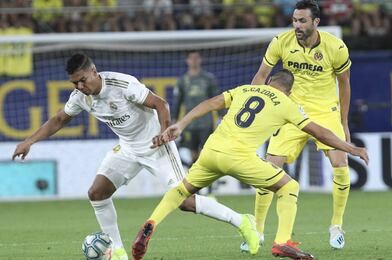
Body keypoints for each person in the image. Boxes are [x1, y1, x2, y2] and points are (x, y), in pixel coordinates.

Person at [12, 53, 260, 260]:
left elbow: (161, 104)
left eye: (82, 80)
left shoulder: (122, 84)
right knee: (97, 193)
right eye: (74, 83)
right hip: (128, 149)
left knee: (184, 202)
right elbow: (58, 119)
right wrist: (29, 141)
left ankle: (242, 222)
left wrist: (164, 132)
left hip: (157, 146)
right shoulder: (80, 98)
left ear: (94, 72)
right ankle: (118, 252)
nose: (79, 87)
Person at [132, 69, 369, 260]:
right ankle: (282, 242)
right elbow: (319, 131)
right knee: (288, 187)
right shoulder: (287, 104)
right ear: (289, 91)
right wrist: (351, 148)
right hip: (240, 158)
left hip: (210, 153)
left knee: (181, 191)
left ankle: (150, 223)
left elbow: (211, 103)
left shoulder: (246, 89)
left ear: (268, 81)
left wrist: (180, 124)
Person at [242, 0, 354, 251]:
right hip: (290, 112)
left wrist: (343, 122)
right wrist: (256, 106)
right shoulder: (280, 42)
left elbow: (344, 84)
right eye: (294, 20)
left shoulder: (335, 47)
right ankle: (257, 230)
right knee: (269, 168)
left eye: (302, 21)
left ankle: (336, 225)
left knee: (340, 163)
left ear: (316, 22)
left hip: (325, 112)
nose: (297, 26)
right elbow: (261, 76)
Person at [173, 51, 219, 194]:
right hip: (190, 125)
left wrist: (221, 117)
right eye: (191, 58)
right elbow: (177, 102)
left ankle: (210, 188)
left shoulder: (208, 79)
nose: (194, 60)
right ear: (187, 61)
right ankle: (196, 188)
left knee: (206, 155)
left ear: (200, 60)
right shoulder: (183, 81)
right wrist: (174, 120)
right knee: (193, 155)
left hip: (206, 123)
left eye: (196, 58)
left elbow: (217, 99)